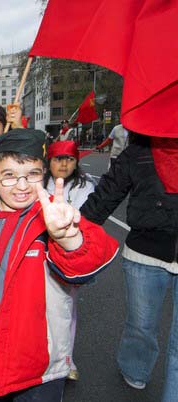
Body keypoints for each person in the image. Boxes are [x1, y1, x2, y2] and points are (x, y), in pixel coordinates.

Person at [0, 129, 119, 401]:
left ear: (44, 174)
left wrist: (68, 238)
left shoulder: (51, 219)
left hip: (35, 359)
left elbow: (84, 266)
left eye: (32, 174)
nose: (22, 186)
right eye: (9, 175)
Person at [80, 134, 178, 400]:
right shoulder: (138, 151)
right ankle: (135, 371)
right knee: (141, 327)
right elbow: (106, 196)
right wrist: (72, 233)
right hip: (144, 253)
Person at [44, 140, 96, 381]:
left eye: (69, 159)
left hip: (68, 256)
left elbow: (88, 221)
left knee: (67, 309)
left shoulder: (85, 187)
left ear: (76, 162)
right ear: (49, 161)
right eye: (57, 158)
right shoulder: (39, 183)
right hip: (40, 255)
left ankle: (66, 359)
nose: (63, 164)